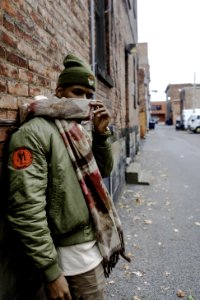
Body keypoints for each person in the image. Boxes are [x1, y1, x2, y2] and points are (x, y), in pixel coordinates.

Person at [7, 54, 130, 300]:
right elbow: (25, 208)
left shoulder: (77, 130)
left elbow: (102, 172)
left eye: (89, 95)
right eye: (77, 92)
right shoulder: (33, 133)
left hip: (92, 243)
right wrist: (51, 272)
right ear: (60, 91)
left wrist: (101, 134)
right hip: (69, 257)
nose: (85, 101)